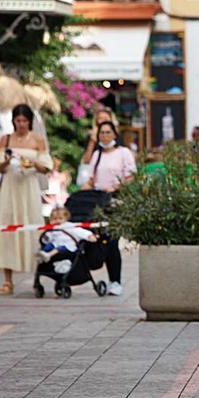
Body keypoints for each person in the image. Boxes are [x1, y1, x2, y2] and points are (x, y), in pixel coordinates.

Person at [0, 104, 53, 295]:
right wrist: (6, 161)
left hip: (29, 188)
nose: (21, 124)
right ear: (13, 121)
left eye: (25, 120)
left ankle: (37, 276)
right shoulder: (6, 139)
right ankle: (7, 279)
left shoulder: (37, 140)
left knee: (32, 228)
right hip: (10, 188)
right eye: (18, 120)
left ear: (30, 121)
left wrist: (34, 163)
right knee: (7, 229)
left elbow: (47, 167)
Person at [82, 121, 136, 295]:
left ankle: (115, 280)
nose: (104, 136)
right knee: (99, 240)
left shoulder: (123, 153)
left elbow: (131, 175)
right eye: (102, 133)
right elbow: (90, 178)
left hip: (115, 200)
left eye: (107, 132)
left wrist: (115, 188)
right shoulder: (97, 155)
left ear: (114, 134)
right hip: (98, 201)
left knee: (112, 240)